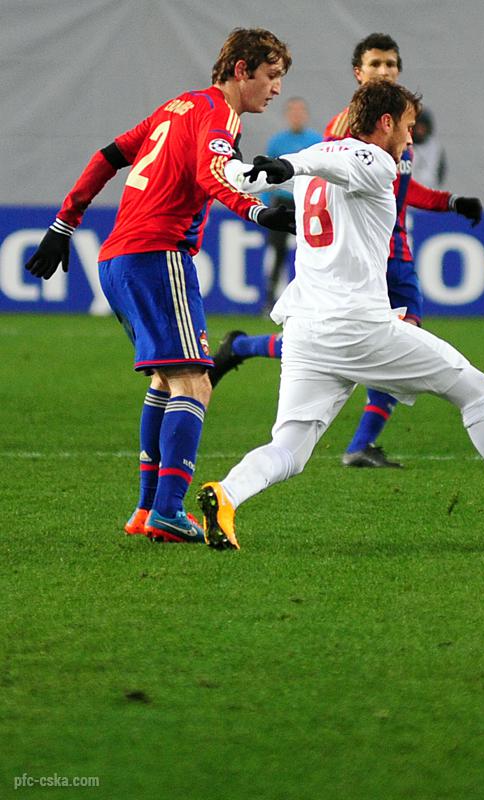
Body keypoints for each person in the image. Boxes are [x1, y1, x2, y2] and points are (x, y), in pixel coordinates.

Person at [196, 79, 484, 551]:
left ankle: (227, 495)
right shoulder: (374, 161)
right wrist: (291, 164)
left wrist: (253, 165)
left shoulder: (317, 158)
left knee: (289, 448)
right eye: (408, 127)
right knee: (476, 390)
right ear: (385, 122)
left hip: (306, 330)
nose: (411, 139)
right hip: (358, 328)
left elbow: (271, 173)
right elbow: (345, 162)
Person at [23, 28, 295, 544]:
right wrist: (259, 212)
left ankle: (148, 509)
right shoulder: (221, 115)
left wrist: (64, 224)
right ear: (242, 70)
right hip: (157, 254)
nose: (277, 88)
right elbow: (213, 174)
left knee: (165, 381)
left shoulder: (177, 105)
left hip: (117, 259)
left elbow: (108, 155)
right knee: (195, 381)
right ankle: (169, 509)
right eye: (272, 75)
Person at [212, 33, 481, 473]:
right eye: (375, 64)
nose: (384, 71)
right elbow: (324, 178)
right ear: (358, 72)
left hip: (396, 250)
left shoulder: (398, 127)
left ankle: (244, 349)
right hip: (360, 256)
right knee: (361, 342)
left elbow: (401, 187)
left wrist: (448, 202)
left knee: (374, 341)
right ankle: (358, 441)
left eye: (390, 64)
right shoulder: (348, 130)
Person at [261, 97, 323, 312]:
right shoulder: (277, 142)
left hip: (307, 203)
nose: (297, 116)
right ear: (287, 115)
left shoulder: (316, 141)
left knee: (312, 252)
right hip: (282, 202)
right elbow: (266, 174)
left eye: (300, 111)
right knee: (277, 252)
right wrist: (266, 203)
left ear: (306, 115)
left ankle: (312, 299)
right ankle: (270, 300)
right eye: (293, 111)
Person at [410, 107, 446, 188]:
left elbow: (440, 172)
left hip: (428, 190)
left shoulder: (436, 149)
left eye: (422, 128)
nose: (419, 131)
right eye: (417, 128)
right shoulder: (402, 146)